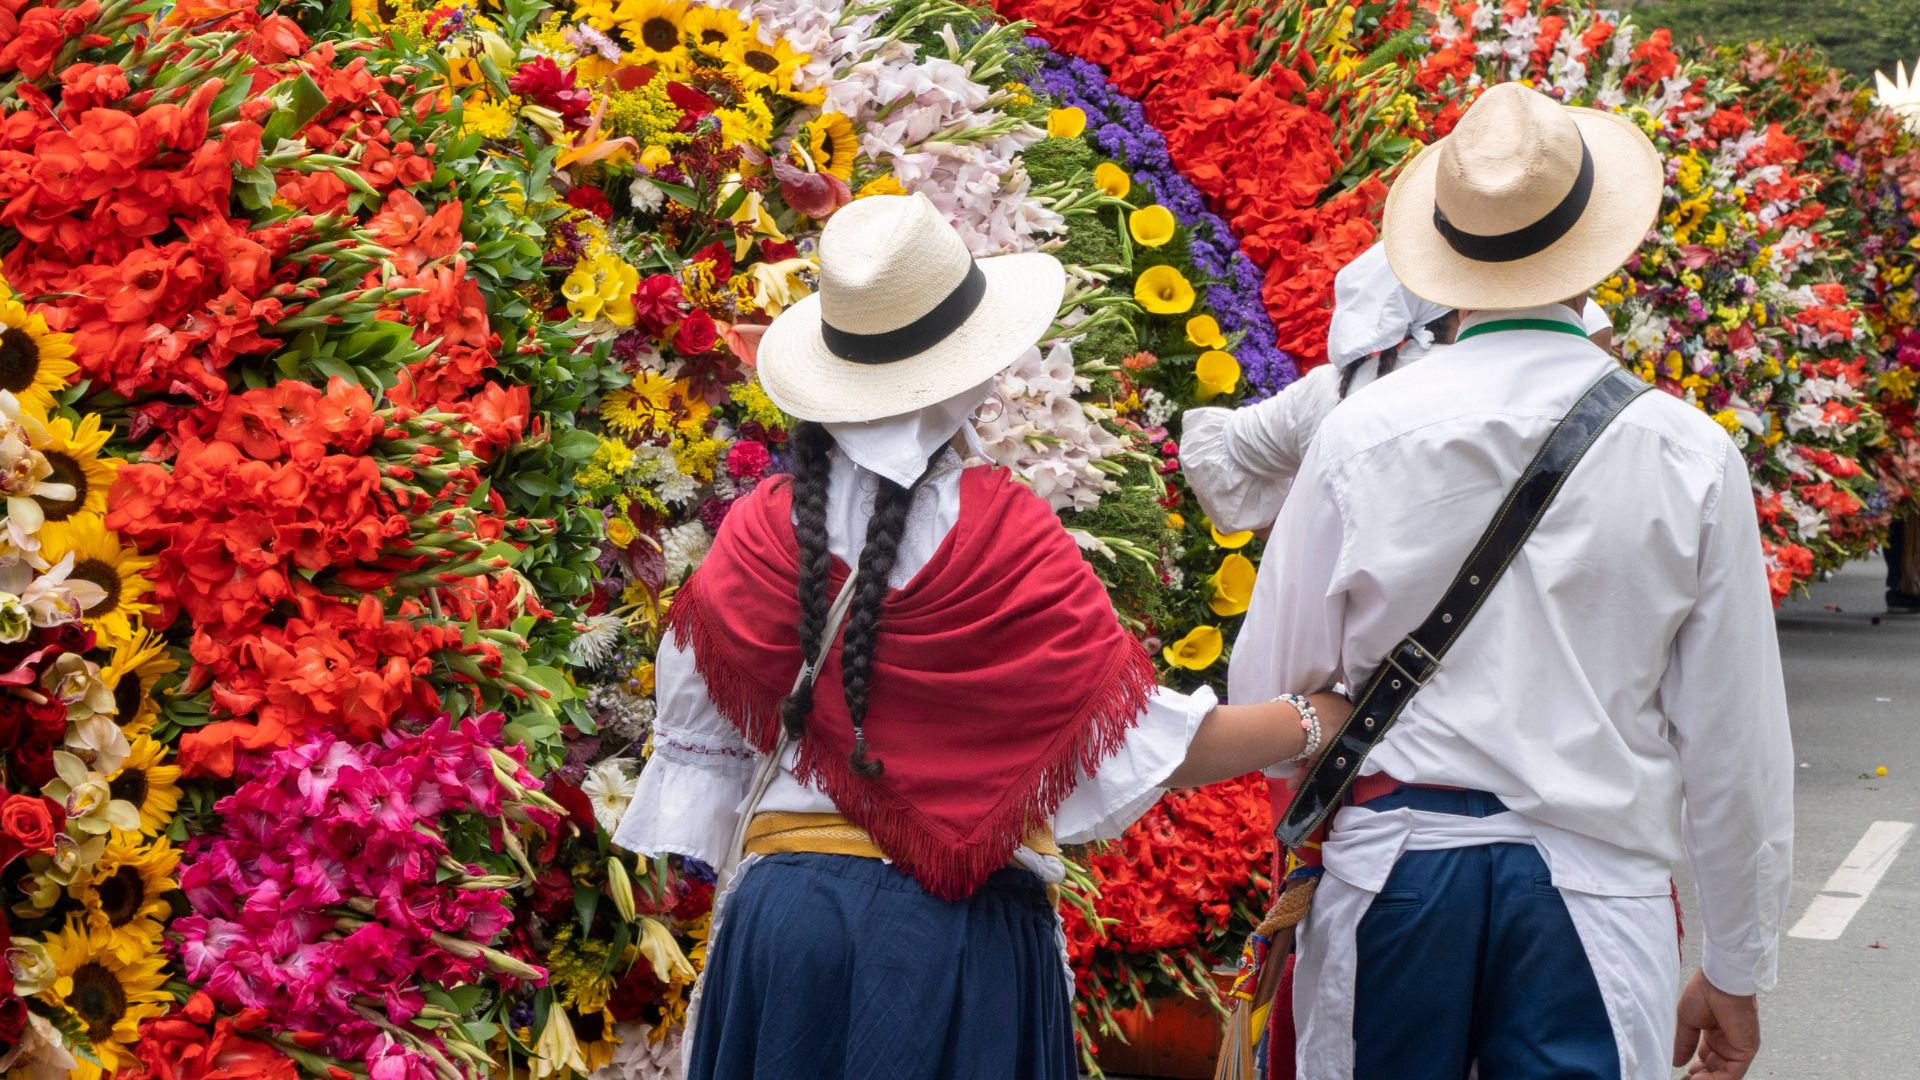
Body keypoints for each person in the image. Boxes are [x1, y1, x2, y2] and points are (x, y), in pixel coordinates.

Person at [610, 193, 1346, 1079]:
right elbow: (1126, 743)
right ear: (967, 377)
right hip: (956, 939)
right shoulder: (1003, 531)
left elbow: (708, 766)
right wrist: (1315, 720)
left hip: (787, 927)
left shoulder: (758, 536)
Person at [1233, 84, 1793, 1080]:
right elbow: (1735, 747)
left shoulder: (1360, 433)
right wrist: (1738, 969)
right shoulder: (1687, 453)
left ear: (1447, 258)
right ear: (1598, 249)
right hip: (1593, 896)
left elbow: (1268, 689)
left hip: (1394, 881)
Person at [1181, 244, 1456, 535]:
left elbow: (1217, 453)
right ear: (1463, 314)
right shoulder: (1471, 403)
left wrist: (1300, 540)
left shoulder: (1335, 386)